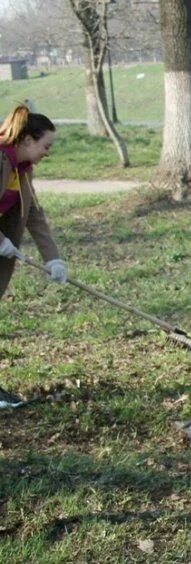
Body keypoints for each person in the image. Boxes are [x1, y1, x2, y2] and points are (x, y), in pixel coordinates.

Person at [0, 104, 67, 408]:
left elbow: (35, 216)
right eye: (45, 145)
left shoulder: (22, 170)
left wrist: (53, 258)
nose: (47, 152)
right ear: (27, 140)